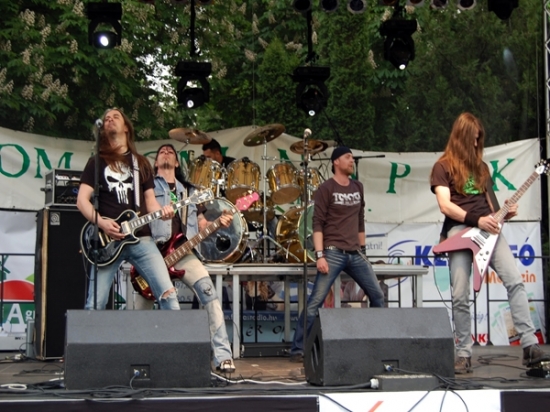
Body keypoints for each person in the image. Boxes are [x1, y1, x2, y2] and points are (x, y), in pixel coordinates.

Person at [430, 112, 550, 374]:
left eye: (479, 139)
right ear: (461, 137)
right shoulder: (443, 167)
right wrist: (477, 220)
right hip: (460, 231)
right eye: (473, 139)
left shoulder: (482, 168)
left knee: (515, 281)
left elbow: (493, 207)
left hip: (491, 231)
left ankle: (529, 345)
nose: (476, 144)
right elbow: (445, 205)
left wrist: (505, 213)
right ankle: (463, 354)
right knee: (460, 294)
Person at [289, 146, 385, 362]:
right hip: (332, 252)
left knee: (377, 296)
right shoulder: (326, 188)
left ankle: (377, 342)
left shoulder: (358, 187)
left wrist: (364, 251)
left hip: (355, 253)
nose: (352, 160)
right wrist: (320, 255)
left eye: (352, 157)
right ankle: (298, 349)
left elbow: (360, 221)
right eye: (347, 157)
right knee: (315, 301)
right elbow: (317, 223)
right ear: (336, 162)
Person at [77, 109, 179, 311]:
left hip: (141, 238)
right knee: (95, 304)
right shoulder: (96, 162)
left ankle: (179, 333)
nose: (109, 119)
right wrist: (102, 223)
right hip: (108, 241)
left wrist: (164, 213)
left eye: (115, 117)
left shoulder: (140, 163)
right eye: (106, 118)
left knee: (168, 295)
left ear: (126, 128)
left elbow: (150, 202)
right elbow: (81, 201)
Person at [149, 143, 236, 373]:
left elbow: (201, 224)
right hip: (153, 254)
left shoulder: (190, 192)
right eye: (161, 151)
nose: (166, 152)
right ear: (156, 162)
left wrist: (218, 223)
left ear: (177, 162)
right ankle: (138, 358)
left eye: (171, 152)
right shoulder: (147, 187)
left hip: (183, 252)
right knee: (141, 307)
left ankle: (223, 356)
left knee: (210, 295)